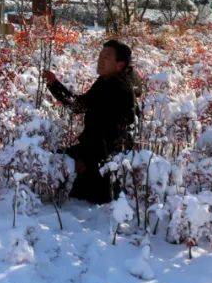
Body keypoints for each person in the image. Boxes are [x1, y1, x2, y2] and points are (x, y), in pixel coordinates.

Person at [42, 39, 139, 204]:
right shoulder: (107, 81)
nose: (100, 60)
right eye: (100, 55)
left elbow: (110, 132)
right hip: (100, 153)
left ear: (120, 65)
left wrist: (85, 159)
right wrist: (54, 84)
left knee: (84, 202)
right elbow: (79, 106)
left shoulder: (117, 87)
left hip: (104, 160)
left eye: (106, 57)